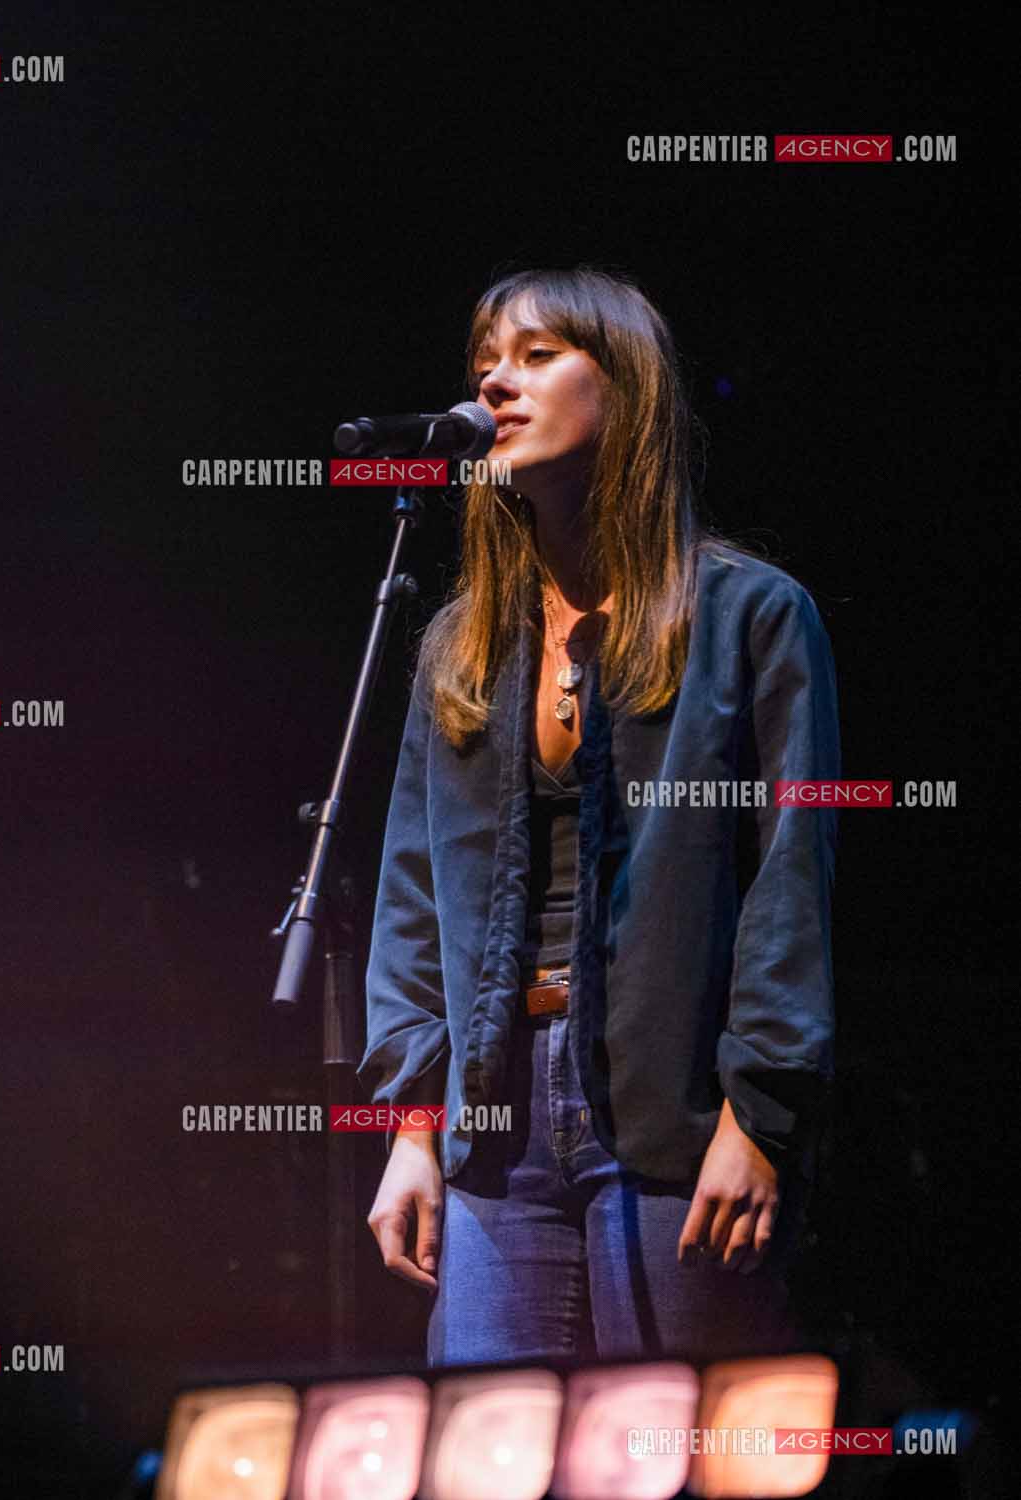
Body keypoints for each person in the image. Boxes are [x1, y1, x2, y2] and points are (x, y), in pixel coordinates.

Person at [359, 266, 838, 1364]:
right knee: (483, 1454)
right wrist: (413, 1129)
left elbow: (787, 885)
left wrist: (756, 1117)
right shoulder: (461, 645)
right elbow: (411, 898)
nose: (497, 381)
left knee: (664, 1455)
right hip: (497, 1120)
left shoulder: (750, 614)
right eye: (488, 360)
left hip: (673, 1106)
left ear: (622, 388)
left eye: (537, 356)